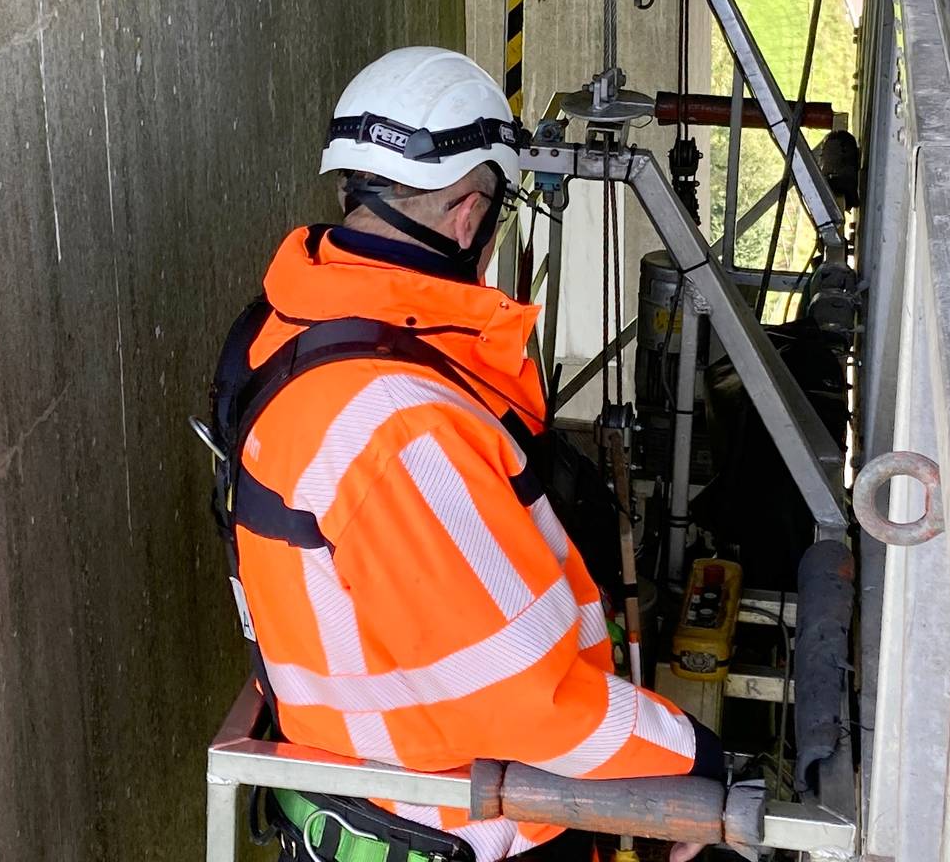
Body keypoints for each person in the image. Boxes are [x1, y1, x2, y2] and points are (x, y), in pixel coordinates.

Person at [209, 46, 725, 862]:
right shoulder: (400, 423)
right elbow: (520, 703)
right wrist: (690, 766)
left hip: (355, 774)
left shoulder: (291, 324)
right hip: (451, 814)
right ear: (466, 213)